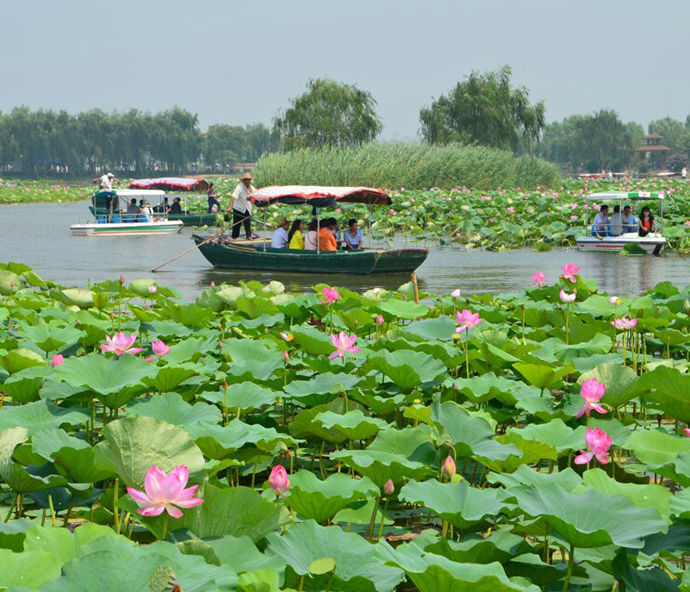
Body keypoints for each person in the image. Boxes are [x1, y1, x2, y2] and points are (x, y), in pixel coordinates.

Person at [227, 172, 255, 239]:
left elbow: (256, 197)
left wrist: (261, 206)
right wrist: (230, 207)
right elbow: (233, 196)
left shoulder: (252, 188)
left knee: (247, 224)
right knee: (236, 225)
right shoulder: (239, 187)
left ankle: (249, 237)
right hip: (238, 209)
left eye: (249, 180)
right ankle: (234, 238)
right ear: (244, 181)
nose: (248, 181)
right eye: (246, 180)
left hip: (247, 209)